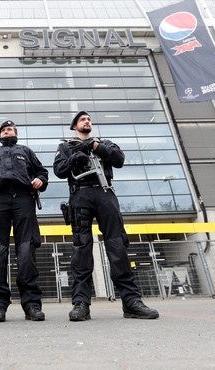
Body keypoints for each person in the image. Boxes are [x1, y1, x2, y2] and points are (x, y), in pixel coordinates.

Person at [53, 111, 159, 321]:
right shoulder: (65, 146)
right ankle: (81, 303)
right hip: (80, 194)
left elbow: (119, 159)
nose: (87, 122)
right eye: (83, 120)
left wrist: (95, 147)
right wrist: (76, 157)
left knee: (117, 246)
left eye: (89, 119)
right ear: (74, 126)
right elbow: (58, 170)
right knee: (81, 249)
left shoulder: (104, 143)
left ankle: (131, 302)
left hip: (105, 193)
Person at [0, 120, 49, 323]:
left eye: (10, 129)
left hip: (24, 199)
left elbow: (42, 172)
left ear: (15, 134)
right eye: (3, 130)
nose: (7, 132)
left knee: (26, 252)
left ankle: (32, 305)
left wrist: (40, 180)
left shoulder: (25, 151)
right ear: (0, 135)